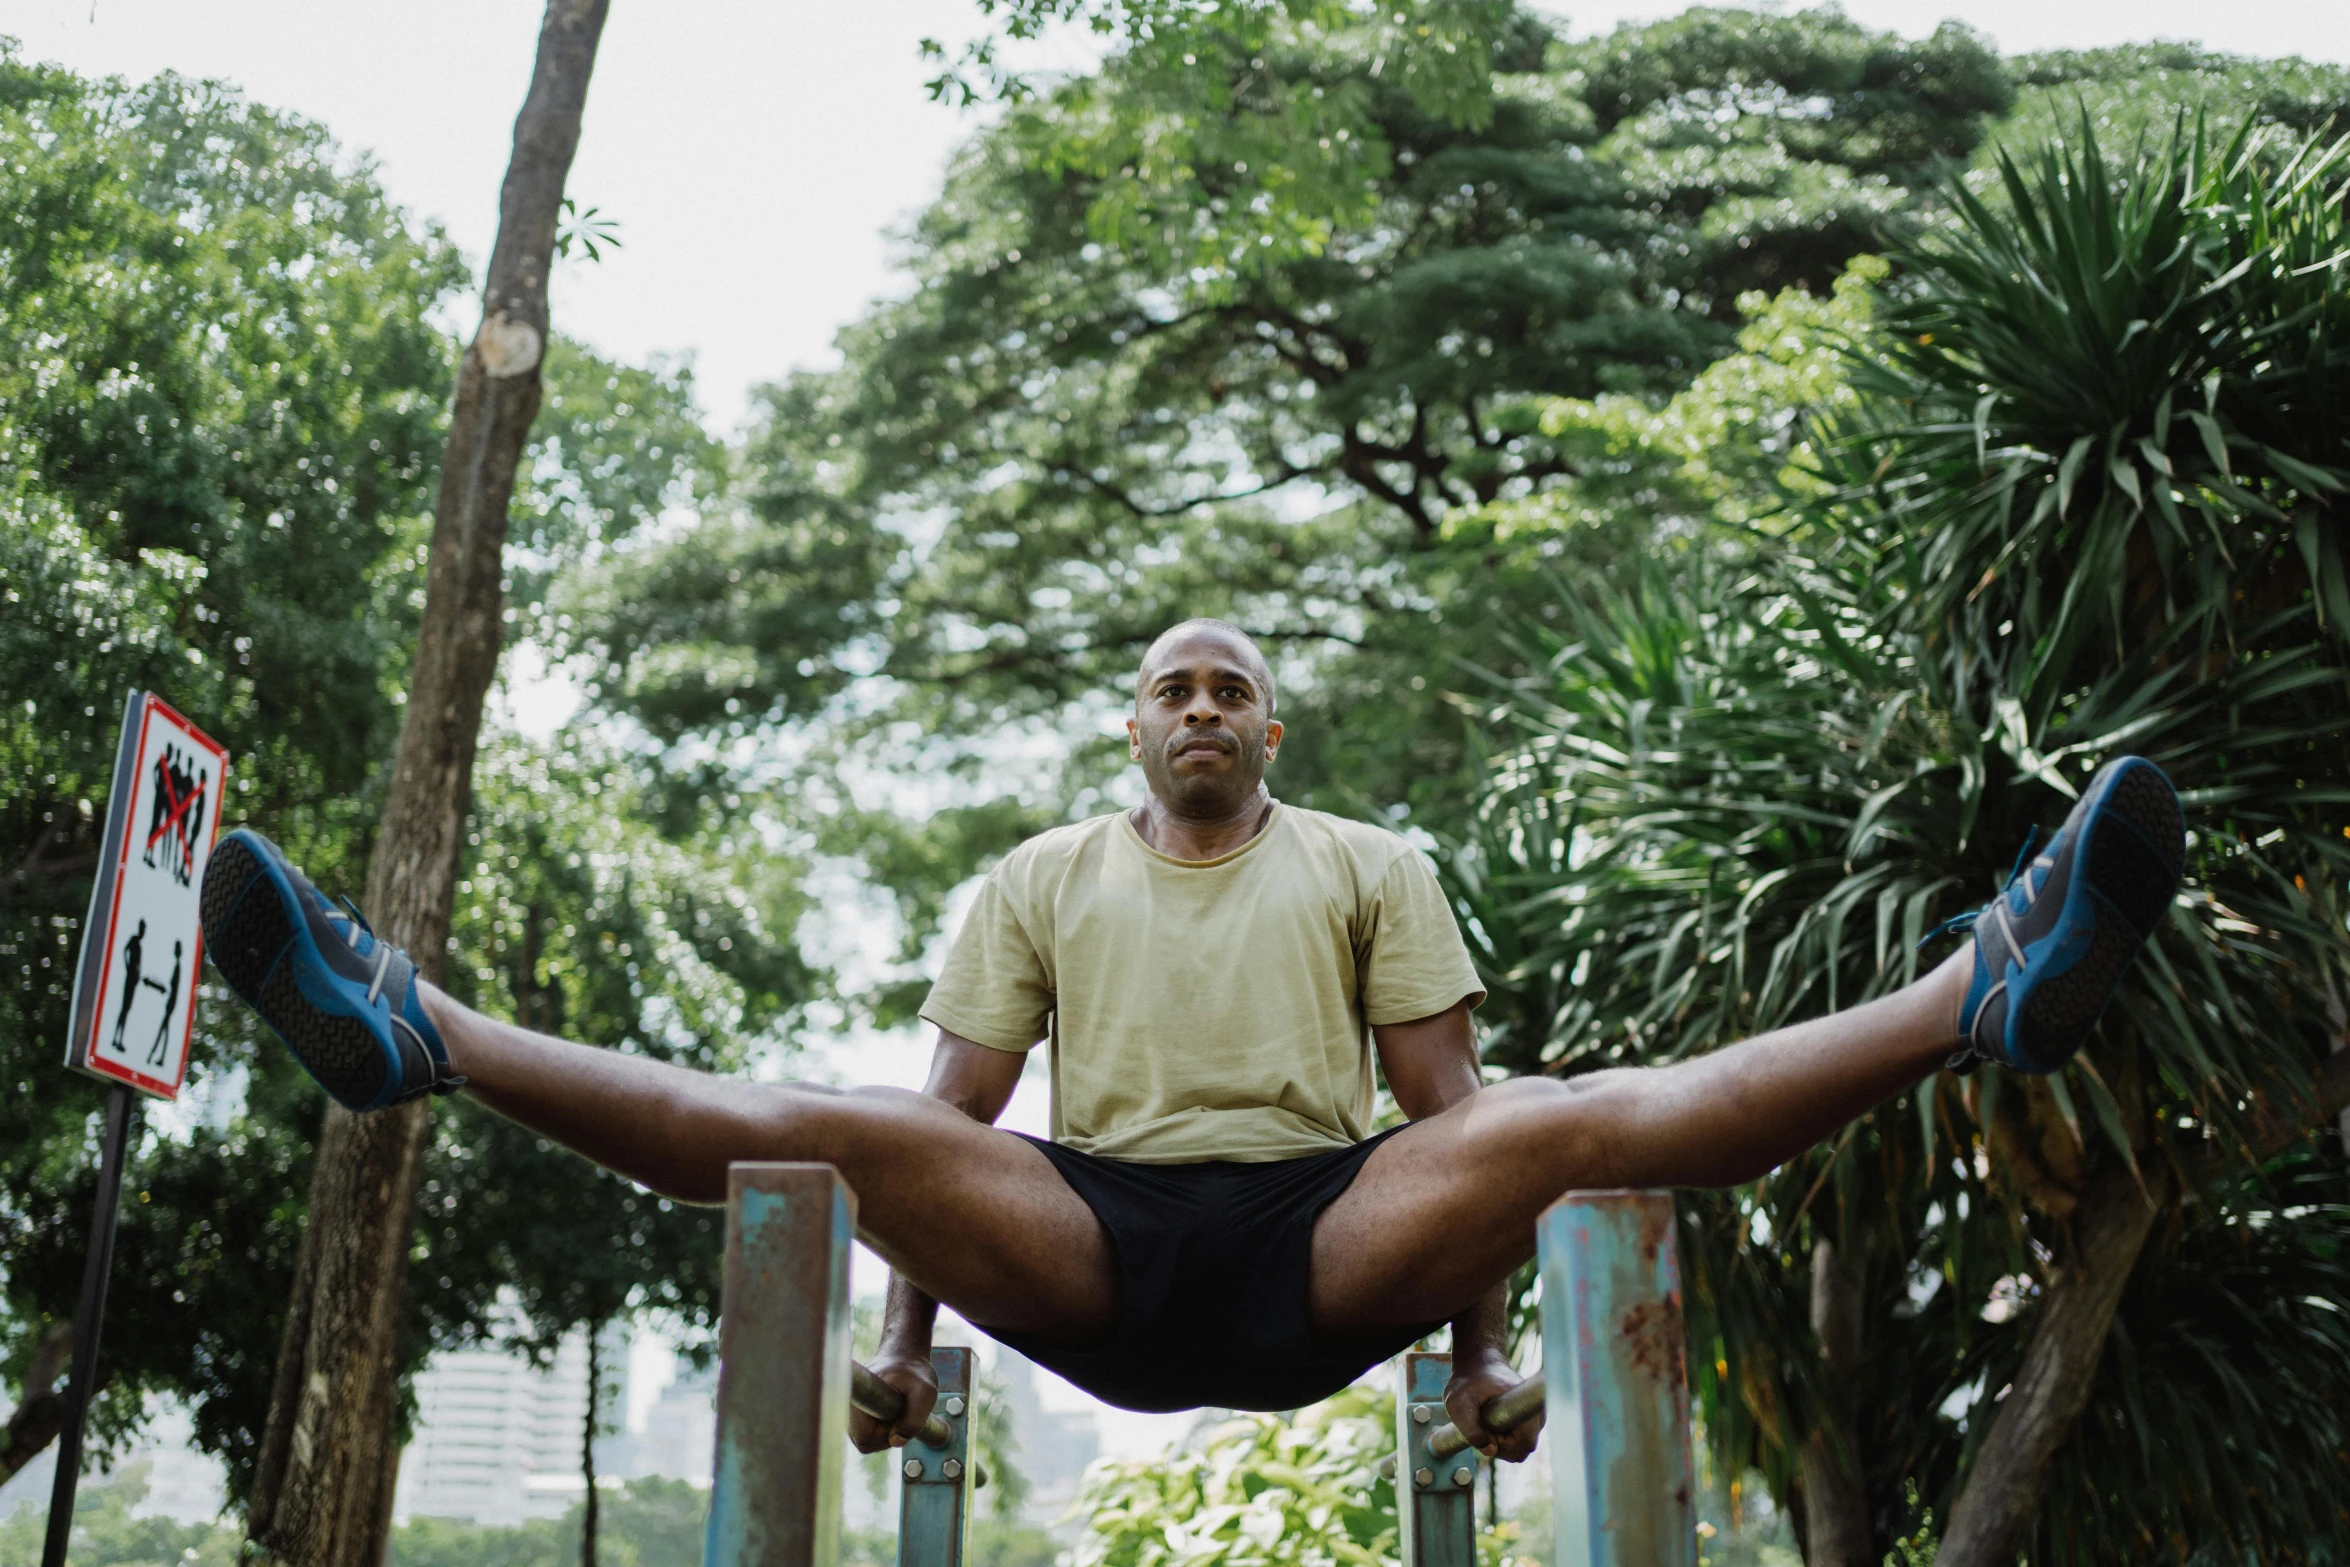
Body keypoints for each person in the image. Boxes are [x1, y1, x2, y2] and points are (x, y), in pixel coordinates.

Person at [197, 619, 2184, 1462]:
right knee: (802, 1114)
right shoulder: (1035, 880)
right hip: (1090, 1246)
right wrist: (900, 1361)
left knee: (1580, 1120)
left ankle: (1969, 991)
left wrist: (1484, 1370)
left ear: (1270, 729)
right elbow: (933, 1141)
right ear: (1130, 727)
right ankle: (414, 1027)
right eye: (1174, 689)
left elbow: (1452, 1134)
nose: (1205, 710)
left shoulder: (1366, 865)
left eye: (1234, 688)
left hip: (1325, 1251)